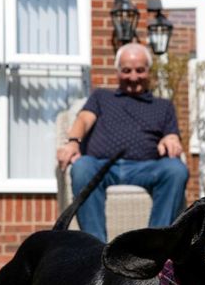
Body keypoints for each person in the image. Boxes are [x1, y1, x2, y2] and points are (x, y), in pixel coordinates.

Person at [56, 42, 188, 242]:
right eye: (127, 70)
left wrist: (171, 138)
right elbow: (83, 119)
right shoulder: (101, 96)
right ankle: (96, 248)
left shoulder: (164, 106)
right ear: (118, 72)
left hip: (146, 168)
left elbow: (172, 136)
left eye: (139, 70)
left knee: (176, 169)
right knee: (82, 166)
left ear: (148, 71)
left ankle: (155, 246)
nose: (133, 77)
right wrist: (73, 142)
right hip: (102, 166)